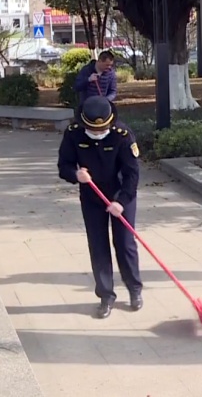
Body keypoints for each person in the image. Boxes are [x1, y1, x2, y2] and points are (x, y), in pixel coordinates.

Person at [57, 95, 142, 319]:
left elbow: (132, 174)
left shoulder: (122, 135)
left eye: (101, 129)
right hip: (92, 196)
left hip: (121, 194)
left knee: (124, 243)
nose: (97, 133)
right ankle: (106, 295)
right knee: (98, 245)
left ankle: (134, 289)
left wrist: (121, 202)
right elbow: (63, 165)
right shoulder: (73, 133)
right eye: (92, 130)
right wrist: (76, 174)